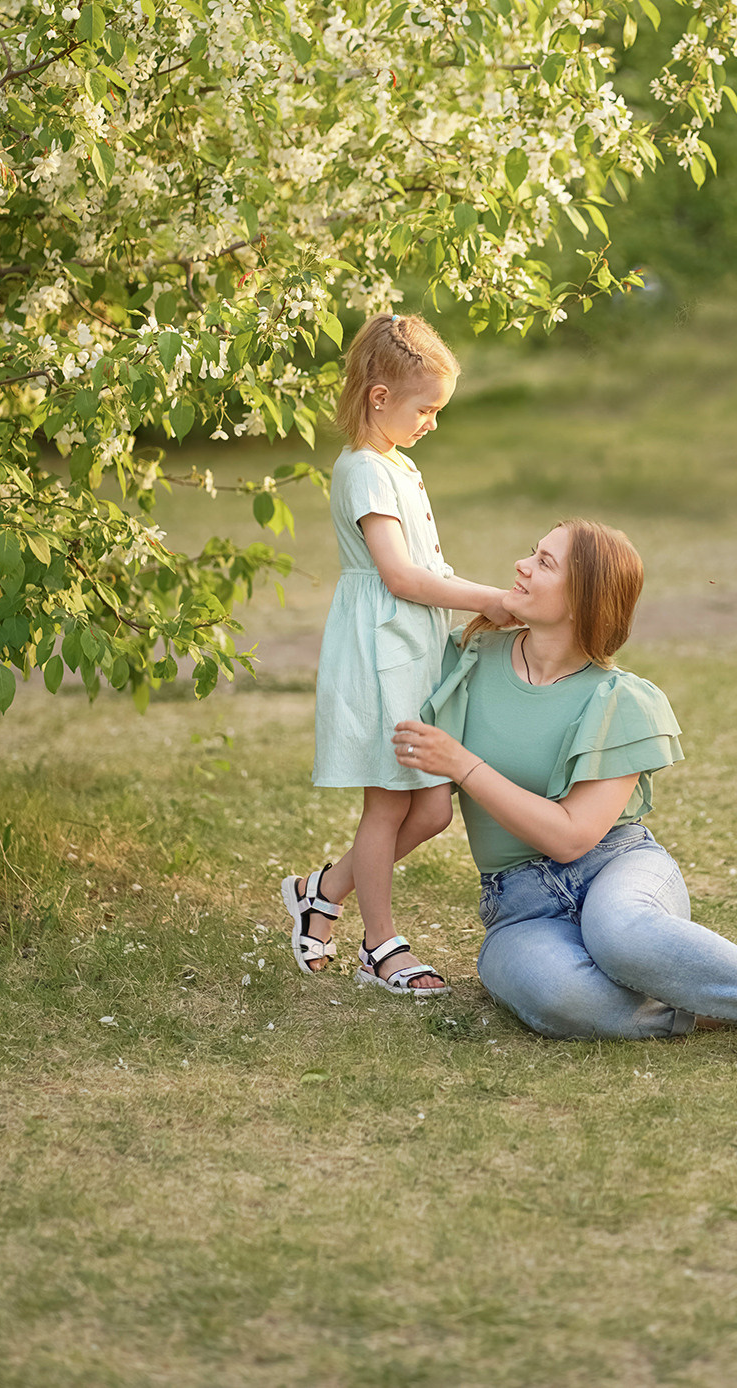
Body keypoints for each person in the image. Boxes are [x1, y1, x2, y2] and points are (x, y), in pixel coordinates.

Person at [391, 519, 737, 1061]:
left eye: (545, 563)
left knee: (620, 934)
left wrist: (463, 764)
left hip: (615, 866)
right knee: (556, 993)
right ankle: (713, 1003)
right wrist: (337, 886)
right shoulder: (471, 660)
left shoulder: (621, 700)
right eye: (533, 553)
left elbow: (572, 838)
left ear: (583, 599)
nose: (521, 566)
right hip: (518, 904)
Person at [281, 312, 516, 992]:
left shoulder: (397, 464)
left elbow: (424, 566)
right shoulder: (361, 470)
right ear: (379, 398)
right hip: (381, 652)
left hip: (417, 649)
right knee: (386, 806)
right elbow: (400, 576)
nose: (432, 423)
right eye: (426, 408)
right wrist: (488, 597)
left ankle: (321, 889)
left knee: (433, 808)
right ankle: (379, 945)